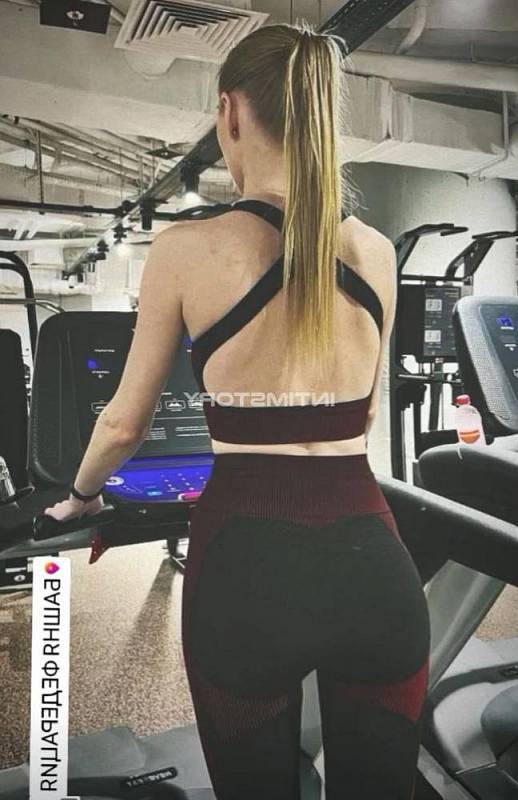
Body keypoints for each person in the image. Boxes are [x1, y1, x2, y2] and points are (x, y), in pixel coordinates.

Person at [45, 22, 430, 800]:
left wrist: (81, 497)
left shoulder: (187, 249)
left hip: (245, 571)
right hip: (376, 568)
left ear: (229, 113)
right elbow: (360, 420)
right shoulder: (378, 252)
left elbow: (123, 425)